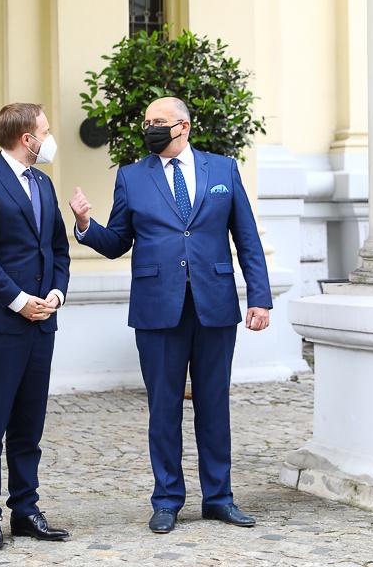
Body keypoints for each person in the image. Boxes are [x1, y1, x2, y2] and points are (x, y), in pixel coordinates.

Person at [69, 96, 272, 534]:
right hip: (157, 307)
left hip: (215, 304)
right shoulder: (131, 176)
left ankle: (219, 498)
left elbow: (248, 239)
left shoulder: (223, 169)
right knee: (163, 408)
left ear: (183, 126)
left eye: (158, 121)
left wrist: (260, 296)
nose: (150, 128)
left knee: (214, 405)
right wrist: (86, 225)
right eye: (147, 122)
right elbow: (118, 240)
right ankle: (166, 500)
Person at [0, 103, 71, 549]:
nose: (49, 136)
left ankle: (26, 509)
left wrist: (57, 295)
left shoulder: (44, 182)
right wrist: (20, 301)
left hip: (42, 325)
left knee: (29, 427)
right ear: (28, 138)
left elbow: (58, 249)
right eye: (45, 129)